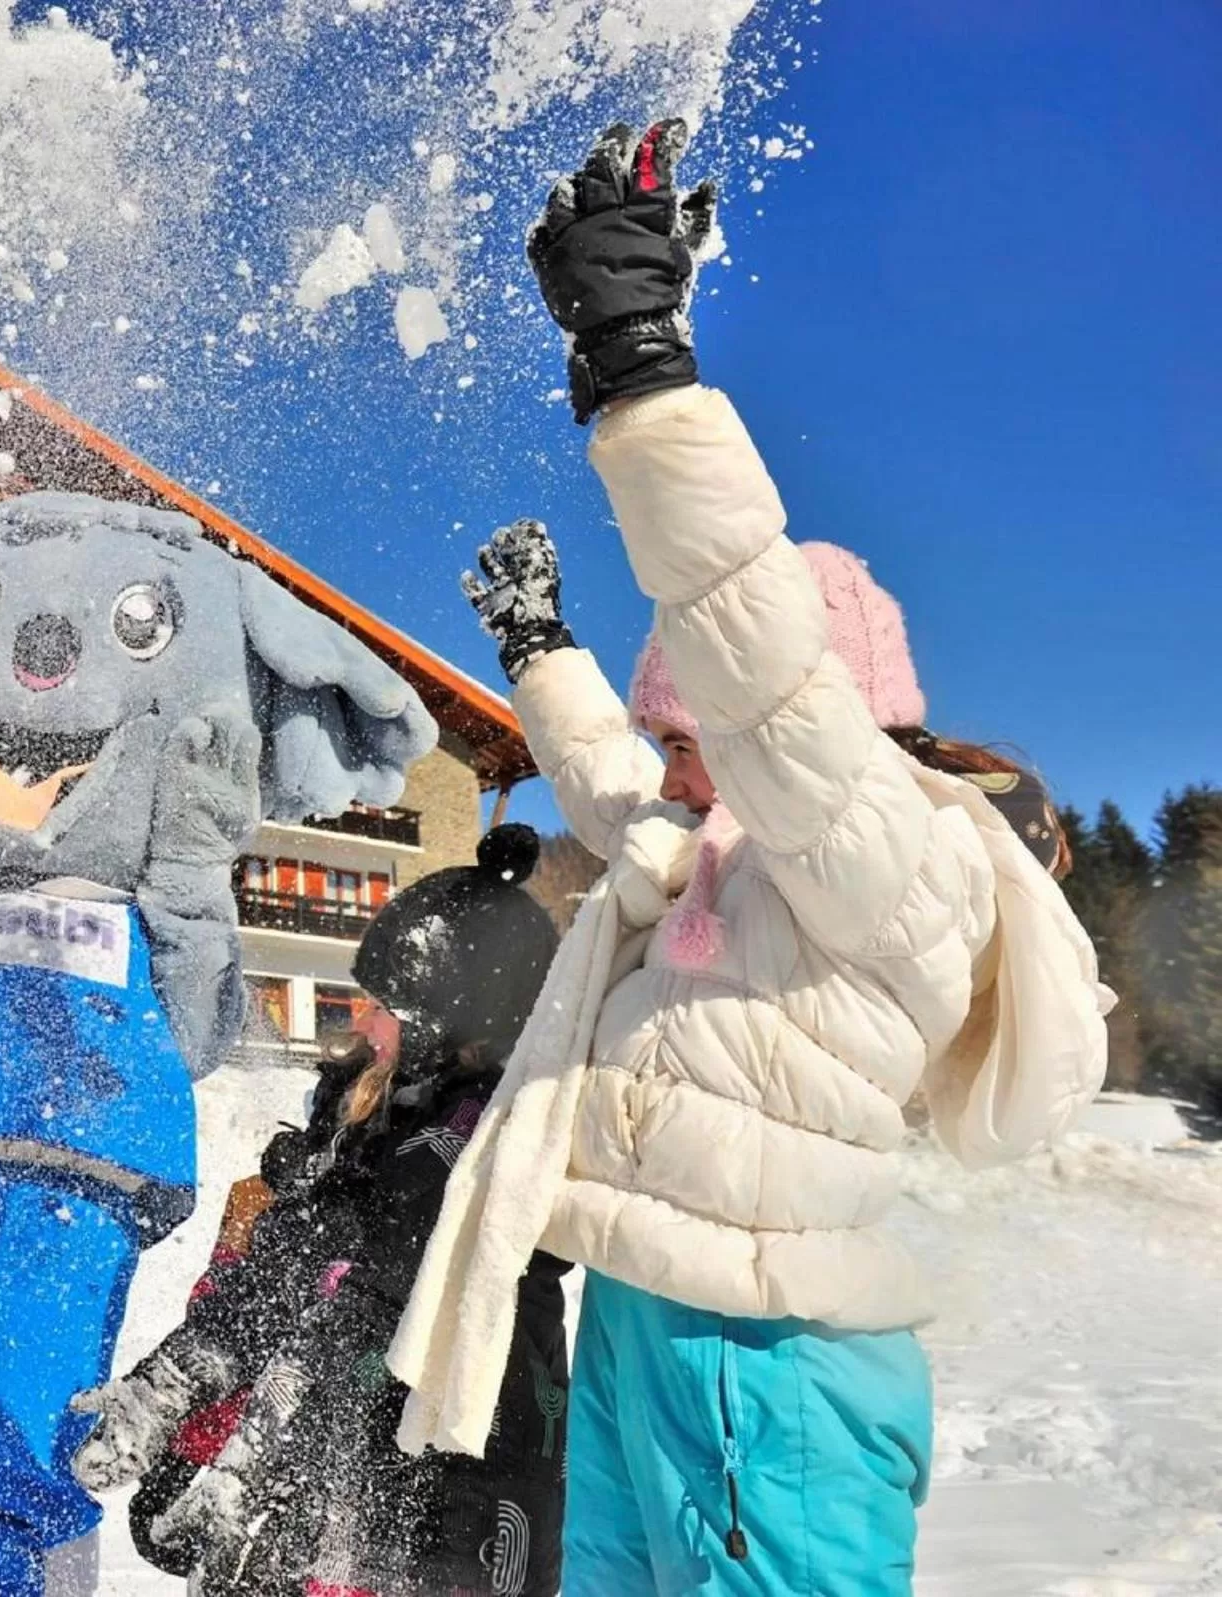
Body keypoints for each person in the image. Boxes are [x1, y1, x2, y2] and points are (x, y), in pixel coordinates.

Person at [390, 122, 1109, 1596]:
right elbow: (605, 786)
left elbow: (749, 633)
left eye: (702, 721)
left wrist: (642, 374)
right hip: (654, 1325)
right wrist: (539, 650)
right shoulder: (720, 851)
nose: (685, 755)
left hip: (771, 1365)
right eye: (677, 727)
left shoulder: (890, 855)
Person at [71, 828, 568, 1597]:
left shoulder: (470, 1152)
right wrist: (182, 1380)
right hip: (347, 1470)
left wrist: (262, 1444)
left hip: (459, 1475)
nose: (363, 1020)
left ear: (450, 1021)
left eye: (387, 1005)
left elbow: (370, 1278)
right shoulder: (360, 1130)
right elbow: (297, 1268)